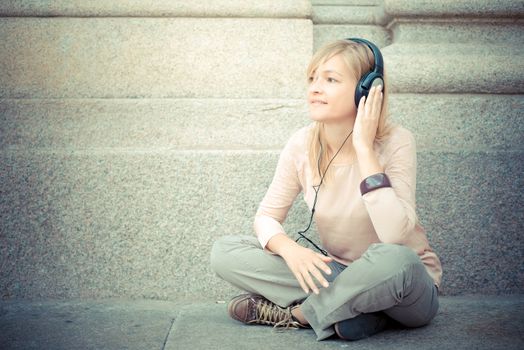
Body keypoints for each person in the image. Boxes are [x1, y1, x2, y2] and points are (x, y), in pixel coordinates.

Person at [210, 38, 442, 341]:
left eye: (330, 79)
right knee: (225, 252)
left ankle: (299, 315)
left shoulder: (397, 141)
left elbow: (394, 236)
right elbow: (266, 217)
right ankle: (359, 311)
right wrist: (290, 251)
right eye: (312, 79)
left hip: (405, 284)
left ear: (367, 90)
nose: (315, 88)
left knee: (395, 259)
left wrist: (363, 148)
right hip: (339, 275)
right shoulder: (301, 144)